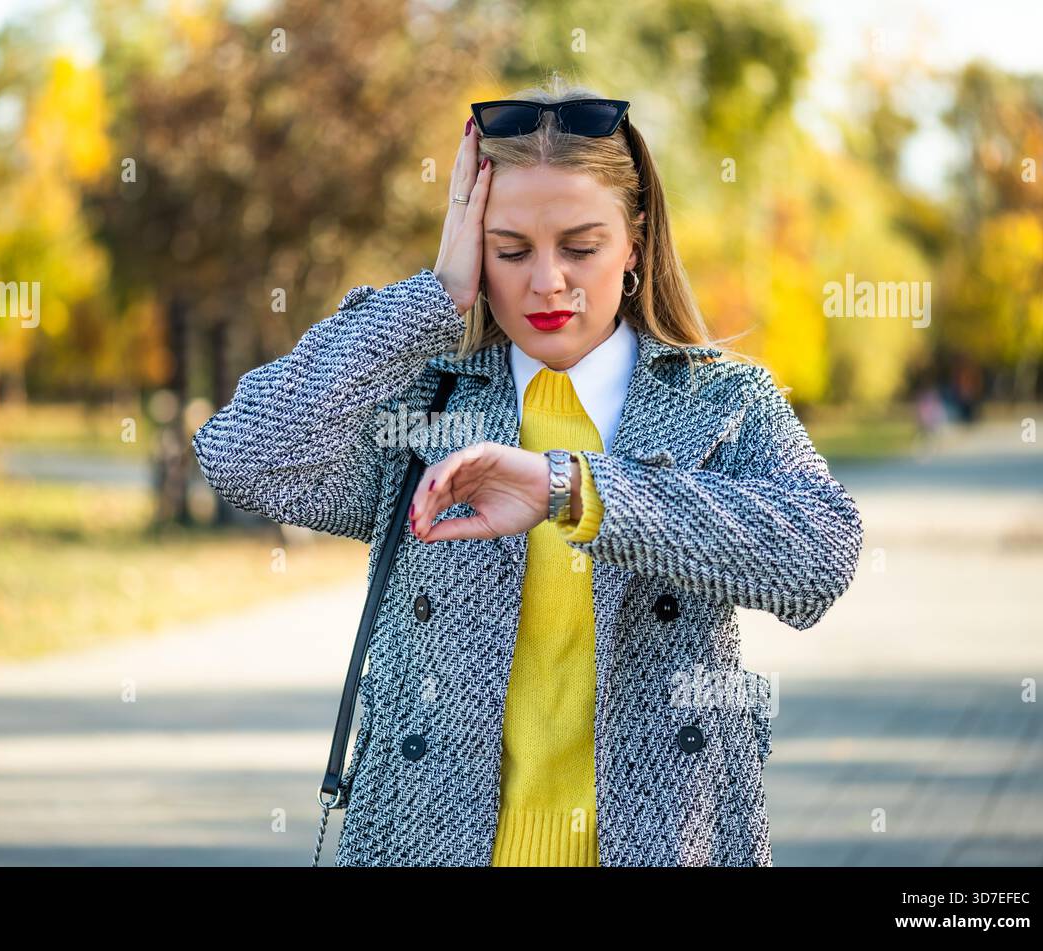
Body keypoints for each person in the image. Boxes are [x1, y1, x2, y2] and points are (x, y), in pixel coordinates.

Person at [192, 77, 864, 866]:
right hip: (427, 846)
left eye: (581, 247)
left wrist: (574, 491)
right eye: (510, 250)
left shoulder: (721, 401)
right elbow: (241, 454)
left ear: (636, 242)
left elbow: (821, 557)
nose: (547, 282)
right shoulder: (426, 400)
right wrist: (434, 298)